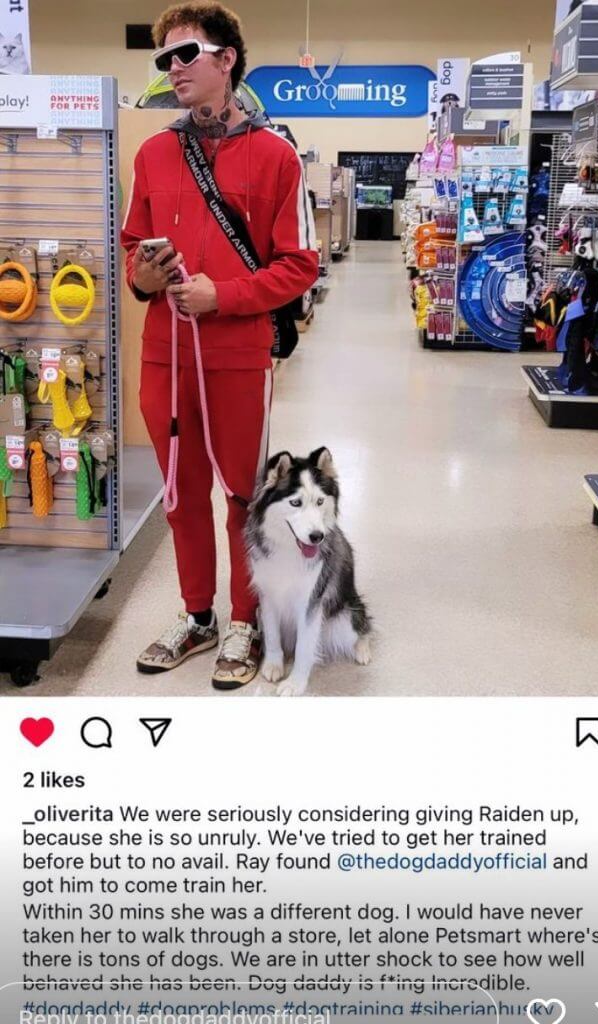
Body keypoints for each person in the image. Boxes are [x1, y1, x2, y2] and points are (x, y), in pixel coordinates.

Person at [121, 1, 318, 688]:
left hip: (237, 355)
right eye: (164, 59)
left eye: (186, 54)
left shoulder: (276, 156)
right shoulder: (153, 153)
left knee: (241, 495)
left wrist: (224, 296)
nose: (172, 69)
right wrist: (143, 277)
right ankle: (197, 615)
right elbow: (132, 248)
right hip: (164, 354)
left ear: (226, 58)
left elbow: (300, 264)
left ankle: (244, 620)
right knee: (180, 493)